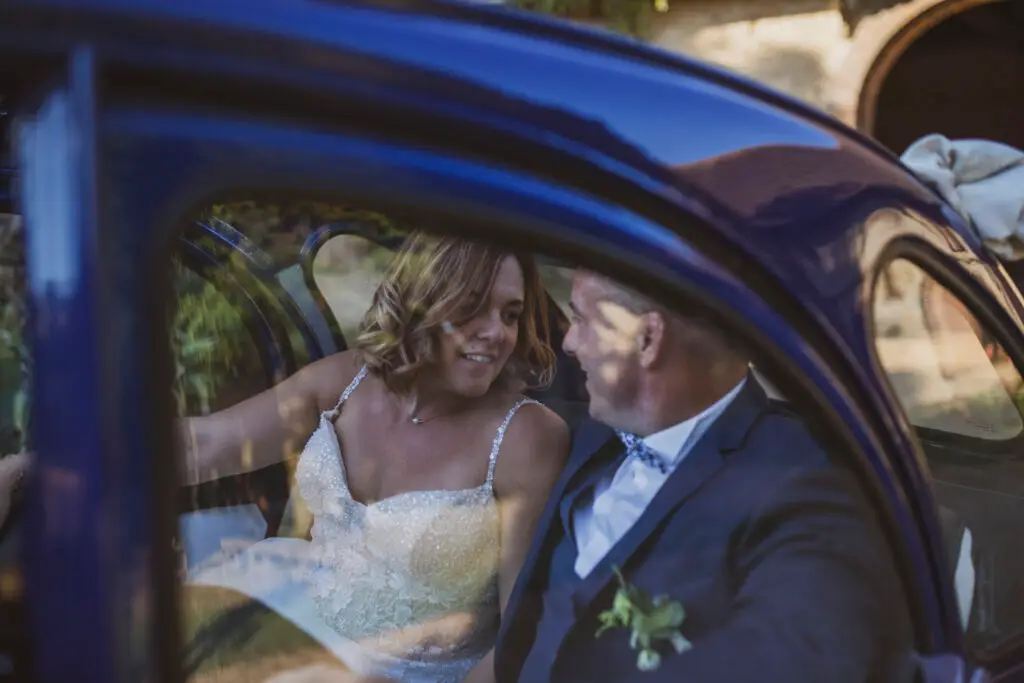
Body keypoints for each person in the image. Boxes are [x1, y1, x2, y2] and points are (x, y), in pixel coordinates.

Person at [177, 231, 570, 683]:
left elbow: (518, 640)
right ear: (423, 301)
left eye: (511, 314)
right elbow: (205, 445)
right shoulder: (345, 382)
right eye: (474, 306)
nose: (497, 333)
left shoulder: (527, 437)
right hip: (286, 618)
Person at [492, 269, 914, 683]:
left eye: (582, 319)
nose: (568, 341)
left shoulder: (801, 474)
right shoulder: (588, 431)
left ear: (647, 339)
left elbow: (799, 654)